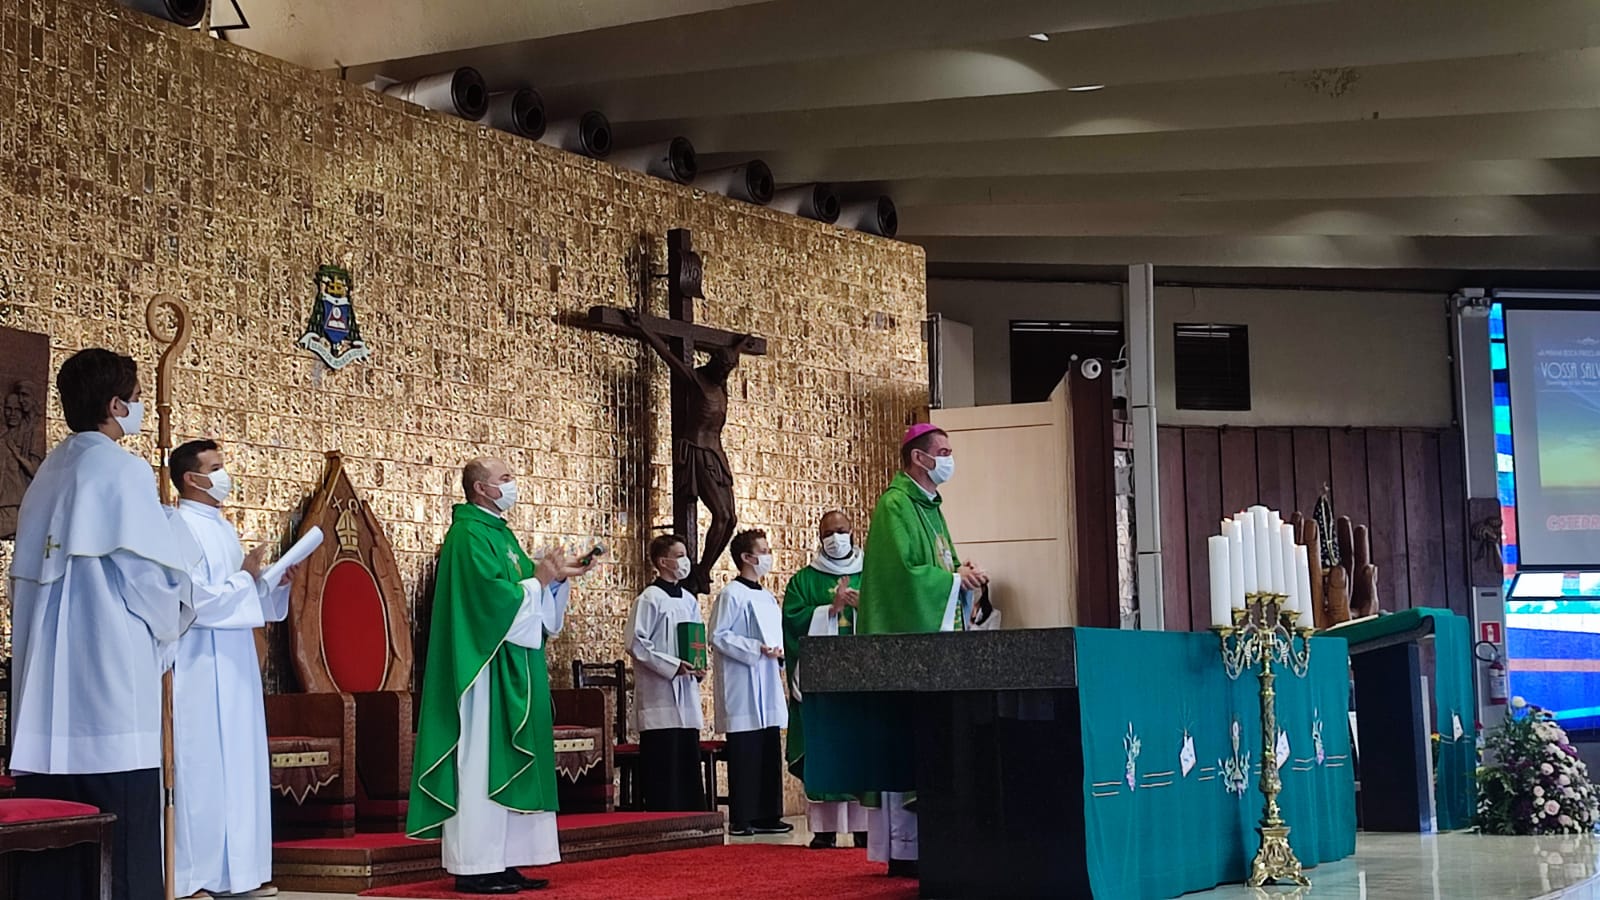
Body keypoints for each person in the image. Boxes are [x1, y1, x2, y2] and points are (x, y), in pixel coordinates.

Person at [9, 348, 193, 900]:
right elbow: (149, 581)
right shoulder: (123, 470)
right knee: (124, 852)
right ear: (115, 406)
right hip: (111, 697)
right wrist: (178, 596)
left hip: (44, 707)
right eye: (135, 399)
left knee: (55, 864)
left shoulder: (46, 474)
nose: (138, 408)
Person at [407, 458, 597, 895]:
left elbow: (526, 592)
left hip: (511, 664)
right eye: (504, 479)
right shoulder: (467, 535)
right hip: (481, 671)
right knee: (480, 762)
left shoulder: (501, 534)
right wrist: (537, 582)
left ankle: (504, 860)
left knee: (508, 758)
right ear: (480, 489)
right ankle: (475, 865)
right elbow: (488, 600)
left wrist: (554, 581)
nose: (513, 484)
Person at [856, 423, 988, 877]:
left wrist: (961, 574)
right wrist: (952, 581)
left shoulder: (930, 506)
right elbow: (899, 577)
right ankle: (906, 851)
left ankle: (935, 843)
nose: (950, 460)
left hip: (935, 647)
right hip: (906, 647)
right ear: (919, 457)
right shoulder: (896, 504)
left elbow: (937, 565)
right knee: (907, 741)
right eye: (944, 452)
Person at [168, 439, 291, 900]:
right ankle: (192, 878)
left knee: (240, 767)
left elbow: (243, 597)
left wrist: (272, 584)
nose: (225, 475)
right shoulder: (179, 526)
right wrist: (245, 577)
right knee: (201, 769)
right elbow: (195, 600)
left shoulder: (221, 526)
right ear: (191, 479)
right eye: (215, 467)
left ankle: (239, 874)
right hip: (198, 663)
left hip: (235, 663)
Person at [783, 509, 868, 849]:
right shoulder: (803, 581)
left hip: (862, 680)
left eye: (841, 531)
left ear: (852, 531)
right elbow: (792, 621)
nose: (835, 539)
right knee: (825, 749)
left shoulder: (872, 574)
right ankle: (824, 830)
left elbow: (891, 614)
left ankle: (864, 828)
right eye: (828, 534)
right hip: (822, 684)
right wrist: (829, 611)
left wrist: (865, 606)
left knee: (861, 749)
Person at [710, 529, 792, 836]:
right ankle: (742, 817)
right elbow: (718, 635)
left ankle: (768, 814)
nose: (769, 556)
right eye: (764, 550)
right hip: (742, 681)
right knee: (745, 749)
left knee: (768, 746)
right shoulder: (731, 594)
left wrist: (778, 652)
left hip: (767, 678)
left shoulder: (767, 596)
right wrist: (755, 648)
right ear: (746, 557)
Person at [626, 534, 707, 811]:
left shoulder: (689, 600)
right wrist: (672, 665)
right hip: (659, 692)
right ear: (663, 562)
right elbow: (636, 642)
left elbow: (696, 638)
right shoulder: (649, 599)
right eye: (680, 555)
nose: (686, 561)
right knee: (664, 759)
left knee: (686, 757)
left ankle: (690, 816)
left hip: (686, 689)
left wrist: (699, 665)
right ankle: (663, 813)